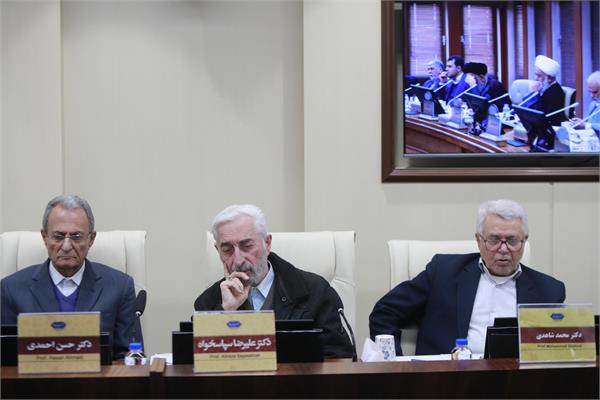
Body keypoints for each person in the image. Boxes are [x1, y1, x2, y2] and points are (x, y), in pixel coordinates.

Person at [369, 199, 565, 356]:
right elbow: (385, 312)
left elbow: (556, 348)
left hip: (515, 382)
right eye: (494, 240)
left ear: (524, 241)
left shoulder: (548, 290)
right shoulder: (443, 273)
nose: (504, 249)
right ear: (479, 240)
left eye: (512, 241)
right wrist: (397, 364)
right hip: (446, 380)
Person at [194, 204, 353, 358]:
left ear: (267, 243)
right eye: (227, 250)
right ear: (218, 251)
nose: (238, 260)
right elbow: (197, 363)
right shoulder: (208, 303)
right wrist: (226, 313)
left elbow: (339, 358)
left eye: (247, 246)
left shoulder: (316, 291)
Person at [1, 195, 137, 358]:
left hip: (100, 375)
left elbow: (130, 357)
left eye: (76, 237)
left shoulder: (119, 288)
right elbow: (6, 360)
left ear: (91, 239)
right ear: (44, 237)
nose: (66, 246)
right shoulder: (11, 290)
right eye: (58, 236)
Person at [522, 55, 567, 126]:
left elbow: (539, 116)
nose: (536, 78)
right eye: (535, 74)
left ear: (549, 78)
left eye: (539, 76)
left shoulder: (555, 93)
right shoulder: (543, 87)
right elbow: (524, 108)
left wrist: (534, 94)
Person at [571, 70, 600, 135]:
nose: (591, 96)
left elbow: (588, 125)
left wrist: (586, 125)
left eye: (595, 92)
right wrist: (580, 122)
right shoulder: (593, 104)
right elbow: (587, 123)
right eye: (590, 92)